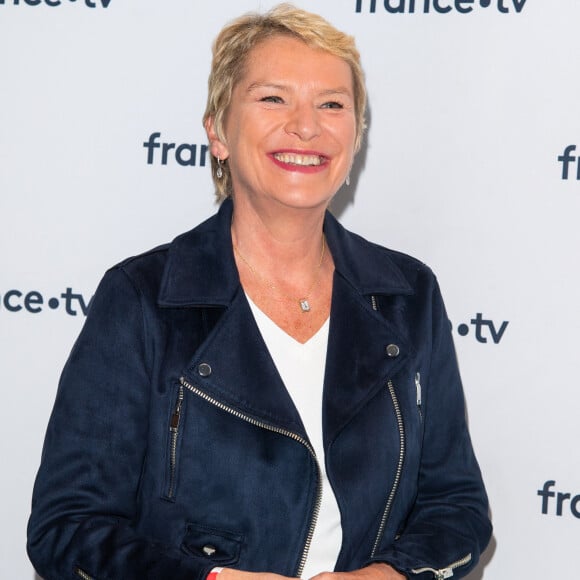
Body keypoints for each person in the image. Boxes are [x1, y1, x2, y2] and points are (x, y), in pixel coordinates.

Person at [27, 4, 492, 580]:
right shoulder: (143, 298)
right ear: (218, 131)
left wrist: (389, 576)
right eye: (273, 98)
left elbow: (458, 507)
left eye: (332, 104)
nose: (306, 125)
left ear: (355, 136)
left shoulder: (407, 295)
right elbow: (67, 528)